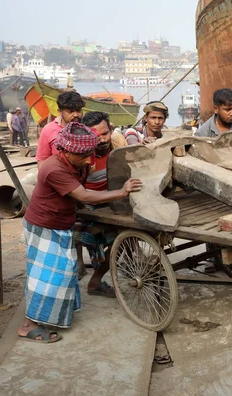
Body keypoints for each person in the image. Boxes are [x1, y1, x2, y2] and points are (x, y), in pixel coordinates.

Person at [18, 122, 142, 343]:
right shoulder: (53, 168)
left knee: (63, 272)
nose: (88, 160)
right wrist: (122, 192)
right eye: (84, 156)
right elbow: (84, 196)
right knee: (46, 277)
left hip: (62, 220)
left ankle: (52, 314)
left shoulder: (77, 160)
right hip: (44, 224)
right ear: (66, 151)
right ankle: (28, 325)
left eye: (90, 154)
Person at [73, 111, 121, 293]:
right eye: (95, 135)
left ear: (111, 130)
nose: (101, 139)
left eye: (105, 133)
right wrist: (87, 211)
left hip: (113, 201)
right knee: (118, 239)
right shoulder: (83, 156)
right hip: (88, 207)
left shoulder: (118, 145)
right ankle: (95, 281)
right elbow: (77, 193)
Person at [36, 90, 85, 165]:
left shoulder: (87, 128)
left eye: (78, 111)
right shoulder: (49, 130)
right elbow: (42, 160)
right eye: (70, 111)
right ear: (60, 112)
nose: (75, 114)